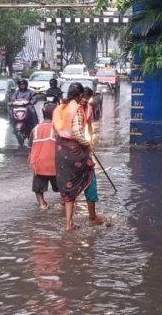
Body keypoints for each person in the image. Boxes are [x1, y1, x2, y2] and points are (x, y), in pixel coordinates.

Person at [53, 82, 94, 230]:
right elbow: (77, 133)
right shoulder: (75, 109)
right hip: (75, 153)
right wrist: (87, 143)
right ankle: (93, 215)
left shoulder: (59, 109)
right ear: (80, 95)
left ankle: (68, 223)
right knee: (90, 171)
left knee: (67, 186)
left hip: (60, 152)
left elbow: (55, 131)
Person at [28, 105, 58, 210]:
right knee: (62, 187)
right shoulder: (56, 127)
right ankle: (63, 203)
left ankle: (42, 204)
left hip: (38, 163)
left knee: (38, 188)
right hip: (54, 163)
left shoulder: (35, 129)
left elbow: (30, 147)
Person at [81, 86, 103, 225]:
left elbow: (89, 127)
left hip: (82, 146)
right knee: (90, 180)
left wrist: (90, 142)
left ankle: (92, 216)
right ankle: (92, 216)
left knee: (90, 180)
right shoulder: (72, 110)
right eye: (83, 97)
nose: (85, 100)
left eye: (87, 98)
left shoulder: (88, 109)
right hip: (75, 148)